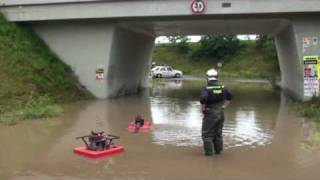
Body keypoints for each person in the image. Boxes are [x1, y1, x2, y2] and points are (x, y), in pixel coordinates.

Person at [200, 68, 233, 156]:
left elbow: (203, 99)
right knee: (218, 133)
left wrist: (203, 109)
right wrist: (224, 106)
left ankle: (209, 154)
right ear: (217, 77)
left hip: (210, 112)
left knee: (206, 135)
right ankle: (219, 152)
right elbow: (230, 95)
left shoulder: (207, 88)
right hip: (220, 112)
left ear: (207, 77)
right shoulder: (223, 87)